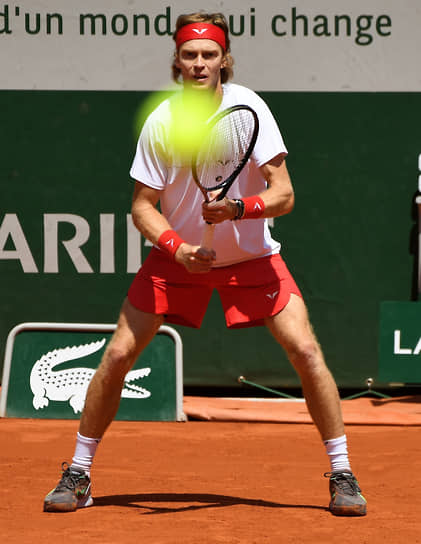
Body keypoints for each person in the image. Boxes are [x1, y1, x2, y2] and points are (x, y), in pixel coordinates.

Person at [43, 11, 366, 517]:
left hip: (252, 256)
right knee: (119, 354)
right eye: (190, 55)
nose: (199, 64)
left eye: (209, 55)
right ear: (178, 61)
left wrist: (240, 208)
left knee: (305, 350)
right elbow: (142, 206)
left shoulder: (249, 108)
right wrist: (179, 248)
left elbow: (284, 194)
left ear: (224, 60)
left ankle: (343, 474)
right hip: (178, 258)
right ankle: (79, 472)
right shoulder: (162, 122)